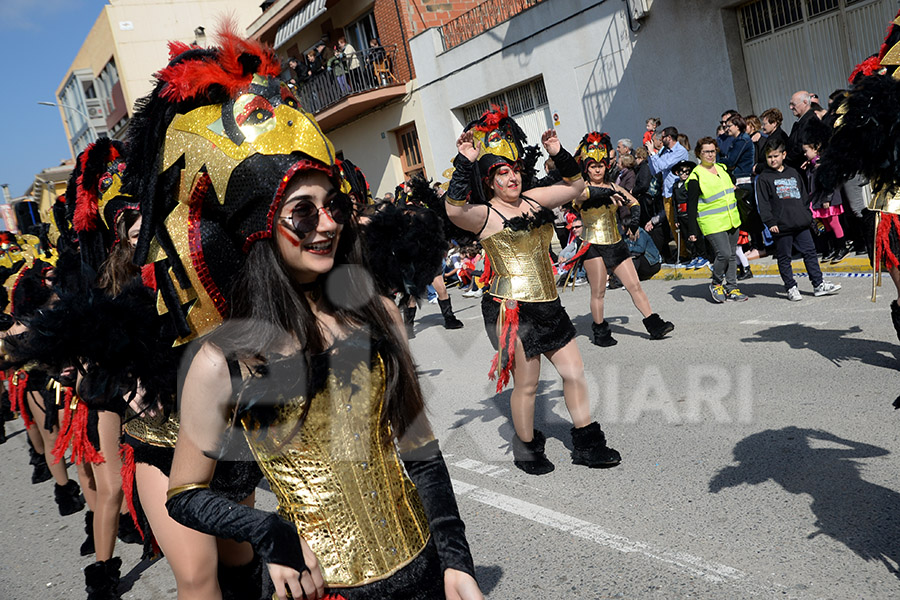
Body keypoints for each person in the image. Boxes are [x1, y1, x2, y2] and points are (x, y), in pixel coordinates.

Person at [123, 30, 482, 600]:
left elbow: (419, 447)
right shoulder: (224, 357)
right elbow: (185, 493)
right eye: (303, 212)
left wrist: (456, 559)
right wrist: (271, 533)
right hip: (323, 589)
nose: (328, 224)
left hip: (424, 571)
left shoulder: (378, 311)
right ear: (261, 228)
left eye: (334, 205)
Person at [444, 108, 620, 475]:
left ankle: (587, 443)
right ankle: (526, 448)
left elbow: (575, 186)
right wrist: (464, 163)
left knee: (574, 371)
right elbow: (453, 209)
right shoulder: (484, 215)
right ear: (490, 180)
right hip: (511, 308)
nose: (511, 178)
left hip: (548, 303)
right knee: (528, 383)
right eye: (502, 173)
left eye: (515, 170)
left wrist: (557, 152)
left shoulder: (537, 199)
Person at [575, 132, 674, 346]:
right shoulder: (580, 189)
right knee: (599, 291)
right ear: (586, 168)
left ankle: (654, 324)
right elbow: (583, 196)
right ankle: (600, 331)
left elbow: (634, 203)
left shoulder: (614, 187)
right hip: (592, 245)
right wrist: (606, 194)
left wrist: (633, 221)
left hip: (615, 243)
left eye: (601, 164)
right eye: (593, 166)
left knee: (635, 285)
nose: (598, 169)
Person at [756, 140, 841, 301]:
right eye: (769, 157)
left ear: (784, 155)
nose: (773, 160)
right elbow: (763, 203)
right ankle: (791, 287)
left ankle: (818, 284)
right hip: (781, 226)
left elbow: (803, 196)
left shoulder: (793, 172)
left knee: (810, 253)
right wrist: (770, 222)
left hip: (801, 222)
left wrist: (807, 216)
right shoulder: (764, 178)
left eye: (776, 156)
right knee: (784, 258)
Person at [686, 138, 747, 303]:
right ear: (699, 153)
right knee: (724, 254)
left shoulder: (721, 168)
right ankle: (716, 282)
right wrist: (692, 231)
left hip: (731, 218)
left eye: (712, 151)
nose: (710, 155)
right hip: (712, 222)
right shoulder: (695, 176)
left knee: (732, 255)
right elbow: (691, 206)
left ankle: (732, 287)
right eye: (706, 151)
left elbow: (730, 184)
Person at [802, 119, 849, 263]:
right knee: (826, 224)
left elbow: (829, 182)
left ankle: (842, 247)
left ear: (815, 149)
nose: (804, 154)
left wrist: (827, 199)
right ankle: (833, 247)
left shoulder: (822, 163)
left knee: (834, 222)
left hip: (827, 199)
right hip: (818, 200)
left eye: (806, 151)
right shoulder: (812, 165)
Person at [787, 90, 819, 170]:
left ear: (805, 102)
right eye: (790, 104)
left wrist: (786, 160)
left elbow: (800, 146)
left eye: (793, 104)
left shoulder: (810, 121)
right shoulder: (802, 121)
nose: (791, 107)